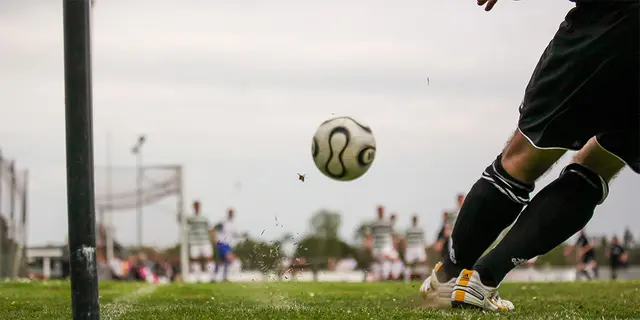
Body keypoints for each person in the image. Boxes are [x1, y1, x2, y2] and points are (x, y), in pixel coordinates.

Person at [420, 0, 638, 311]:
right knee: (599, 165)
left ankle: (449, 278)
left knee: (522, 159)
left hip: (608, 21)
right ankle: (482, 280)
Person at [186, 200, 215, 283]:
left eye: (198, 205)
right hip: (194, 242)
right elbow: (182, 222)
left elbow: (210, 228)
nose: (197, 207)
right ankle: (197, 278)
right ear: (193, 207)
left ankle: (211, 277)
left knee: (209, 258)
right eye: (195, 205)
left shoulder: (204, 218)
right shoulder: (190, 218)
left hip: (205, 241)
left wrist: (213, 238)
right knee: (195, 259)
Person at [364, 206, 395, 281]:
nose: (380, 212)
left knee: (386, 261)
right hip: (376, 246)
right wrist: (368, 243)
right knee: (377, 262)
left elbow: (392, 234)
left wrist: (393, 245)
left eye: (381, 210)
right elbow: (369, 235)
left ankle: (385, 276)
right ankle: (376, 277)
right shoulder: (374, 223)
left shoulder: (388, 223)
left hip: (386, 246)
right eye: (379, 210)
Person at [213, 208, 240, 282]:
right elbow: (214, 228)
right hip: (221, 243)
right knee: (230, 258)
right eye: (230, 212)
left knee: (223, 262)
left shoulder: (233, 223)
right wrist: (214, 238)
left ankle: (220, 277)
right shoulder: (223, 221)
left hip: (228, 244)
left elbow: (234, 234)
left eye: (232, 212)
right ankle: (216, 276)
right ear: (228, 213)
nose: (231, 214)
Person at [404, 214, 428, 280]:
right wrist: (406, 249)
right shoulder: (408, 229)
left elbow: (423, 240)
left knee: (422, 262)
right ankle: (407, 279)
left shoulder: (420, 229)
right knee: (409, 264)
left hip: (419, 247)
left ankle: (424, 279)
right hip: (410, 247)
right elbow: (406, 240)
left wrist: (424, 251)